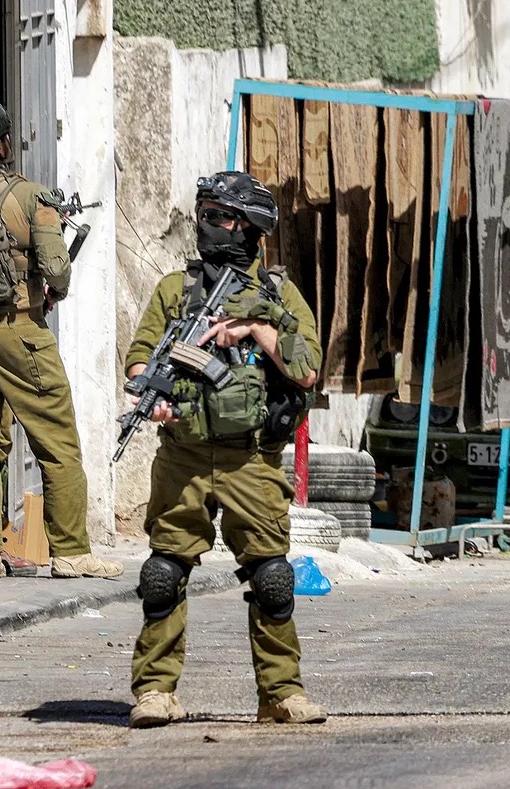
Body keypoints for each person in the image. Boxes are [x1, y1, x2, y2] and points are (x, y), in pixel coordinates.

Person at [126, 171, 326, 728]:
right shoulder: (176, 289)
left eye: (220, 216)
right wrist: (151, 393)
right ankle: (155, 691)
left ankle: (280, 694)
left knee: (272, 579)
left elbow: (306, 371)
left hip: (251, 459)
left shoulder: (279, 295)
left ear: (250, 227)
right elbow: (140, 356)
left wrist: (256, 328)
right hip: (184, 455)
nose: (207, 226)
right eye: (204, 215)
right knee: (162, 574)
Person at [0, 101, 120, 580]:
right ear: (1, 144)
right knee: (57, 439)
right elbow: (57, 271)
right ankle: (72, 551)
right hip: (19, 331)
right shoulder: (31, 196)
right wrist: (49, 284)